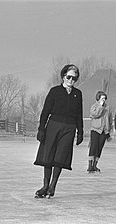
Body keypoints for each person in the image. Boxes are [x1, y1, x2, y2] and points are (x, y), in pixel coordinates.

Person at [34, 64, 83, 198]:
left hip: (69, 128)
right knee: (48, 156)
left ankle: (52, 186)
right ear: (63, 76)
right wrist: (41, 129)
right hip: (53, 126)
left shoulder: (77, 94)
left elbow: (79, 114)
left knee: (60, 157)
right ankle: (45, 185)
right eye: (69, 77)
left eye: (74, 78)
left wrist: (80, 131)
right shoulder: (55, 91)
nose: (71, 80)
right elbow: (45, 111)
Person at [87, 91, 112, 173]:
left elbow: (109, 120)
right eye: (102, 98)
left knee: (99, 148)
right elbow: (95, 115)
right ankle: (90, 165)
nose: (103, 100)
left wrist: (108, 131)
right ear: (98, 99)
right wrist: (100, 106)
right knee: (93, 147)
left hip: (104, 131)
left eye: (104, 99)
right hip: (95, 129)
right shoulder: (94, 106)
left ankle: (95, 165)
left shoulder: (107, 108)